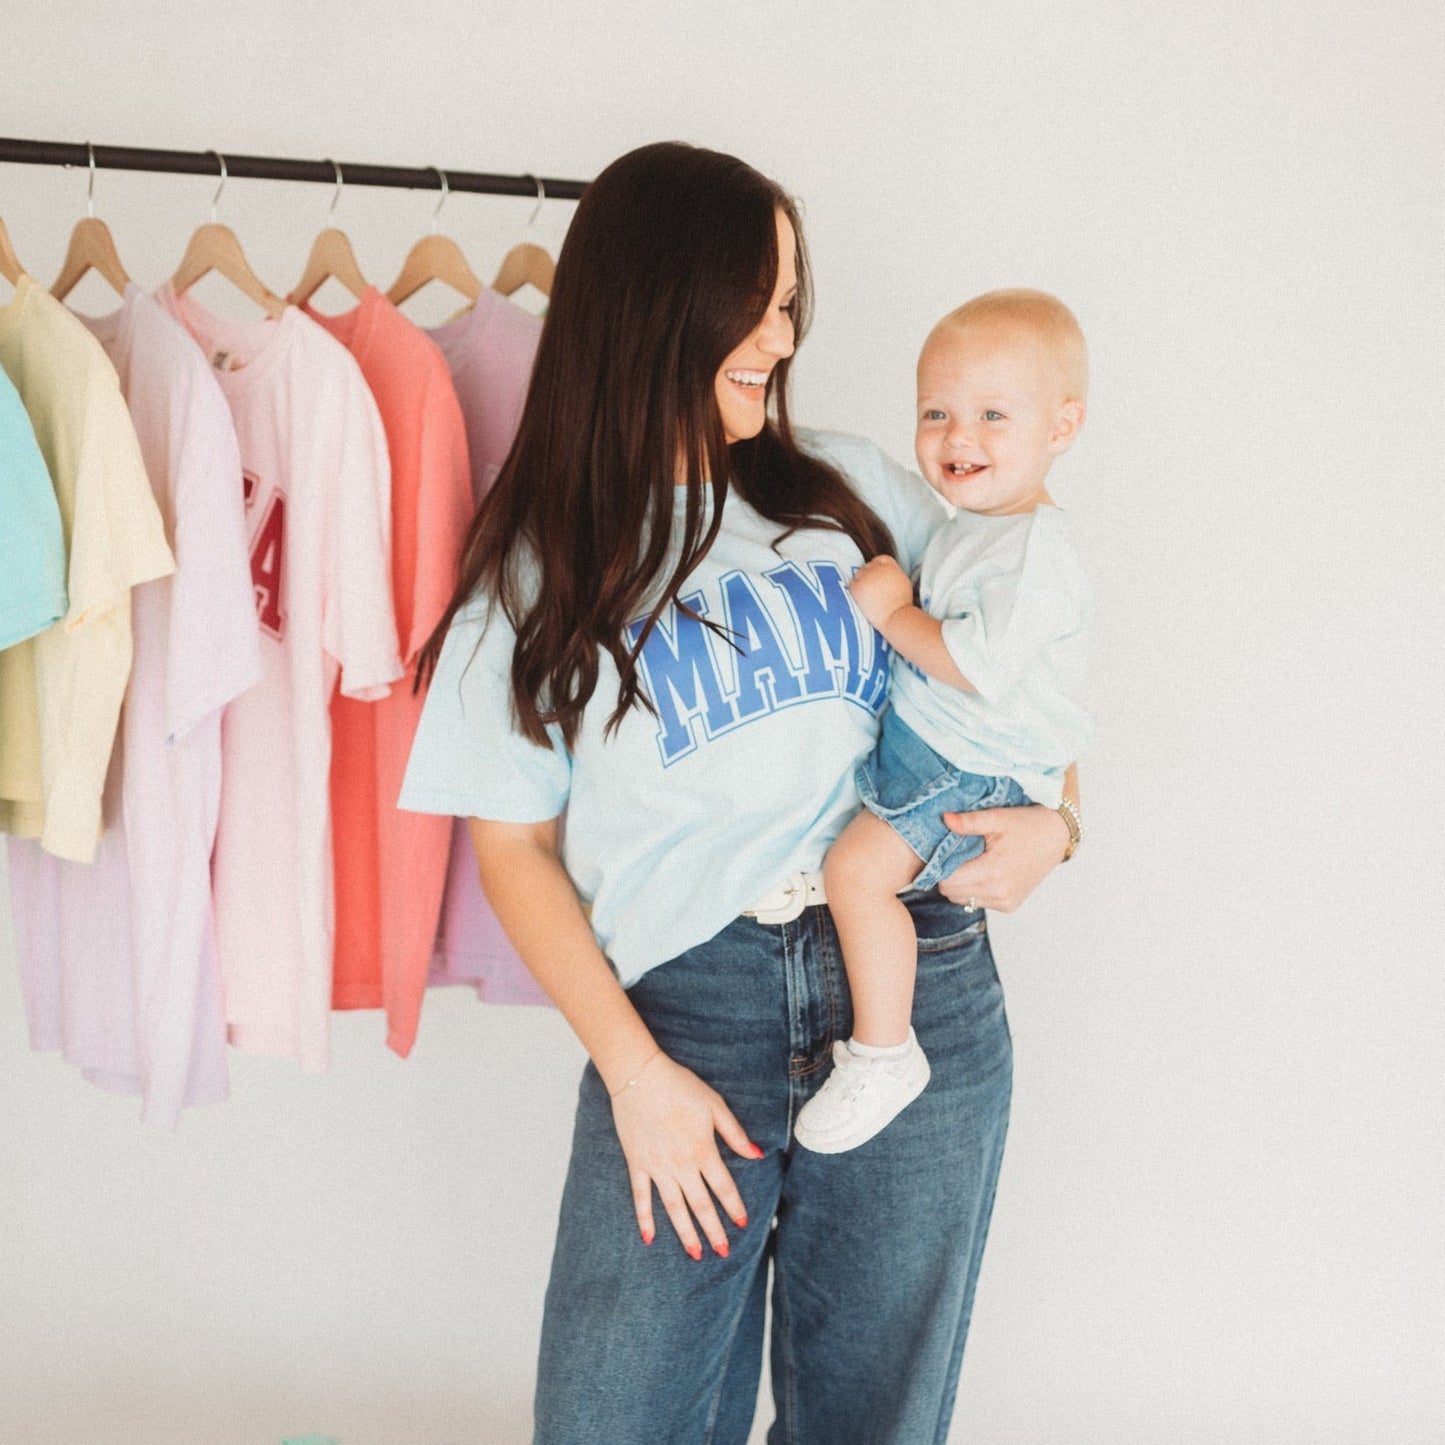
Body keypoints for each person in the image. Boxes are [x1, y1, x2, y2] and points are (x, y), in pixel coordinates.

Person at [400, 142, 1080, 1445]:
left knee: (870, 1420)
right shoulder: (541, 566)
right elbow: (514, 855)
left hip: (915, 978)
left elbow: (1025, 654)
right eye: (759, 300)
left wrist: (1062, 821)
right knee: (621, 1418)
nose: (781, 331)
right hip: (686, 1011)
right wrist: (634, 1073)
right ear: (663, 306)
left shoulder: (859, 488)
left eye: (786, 299)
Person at [794, 290, 1093, 1155]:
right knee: (858, 870)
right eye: (937, 412)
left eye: (993, 415)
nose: (959, 438)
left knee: (856, 875)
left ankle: (884, 1050)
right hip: (946, 758)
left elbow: (976, 663)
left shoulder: (1034, 550)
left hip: (970, 771)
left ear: (1060, 428)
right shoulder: (979, 528)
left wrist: (891, 612)